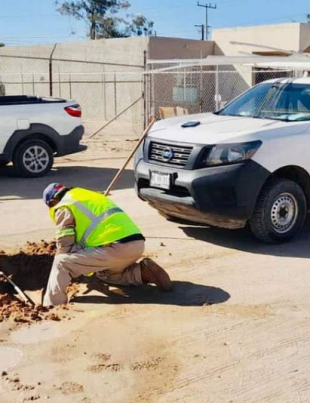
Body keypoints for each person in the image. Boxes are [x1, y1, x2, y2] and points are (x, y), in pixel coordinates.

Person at [42, 183, 172, 307]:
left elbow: (65, 242)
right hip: (136, 244)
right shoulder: (86, 196)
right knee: (105, 275)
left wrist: (63, 267)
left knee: (61, 263)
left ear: (52, 202)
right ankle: (143, 272)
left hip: (113, 248)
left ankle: (53, 304)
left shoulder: (63, 206)